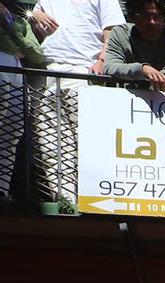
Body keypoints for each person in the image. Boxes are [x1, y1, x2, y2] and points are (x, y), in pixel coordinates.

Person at [26, 0, 124, 209]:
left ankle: (95, 203)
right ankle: (66, 203)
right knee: (52, 144)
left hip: (83, 72)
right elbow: (33, 15)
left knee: (88, 142)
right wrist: (35, 15)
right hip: (47, 70)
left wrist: (102, 60)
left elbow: (113, 32)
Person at [100, 0, 165, 89]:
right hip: (130, 98)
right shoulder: (120, 33)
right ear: (133, 17)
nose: (152, 22)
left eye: (157, 17)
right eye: (146, 17)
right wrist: (142, 70)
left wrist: (154, 82)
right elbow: (110, 67)